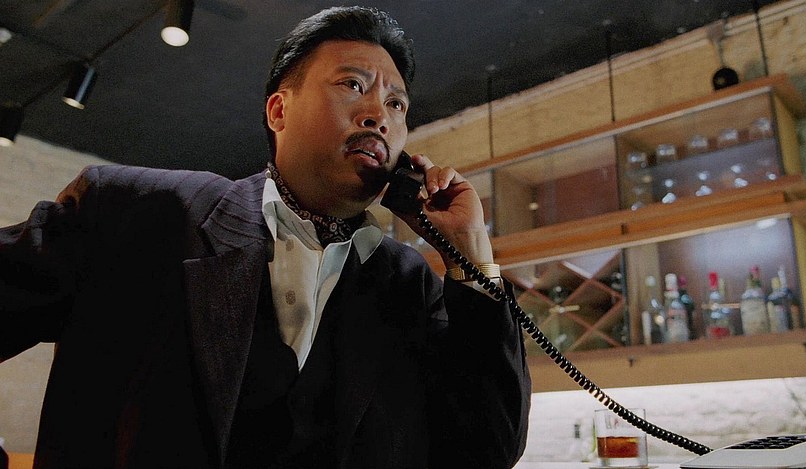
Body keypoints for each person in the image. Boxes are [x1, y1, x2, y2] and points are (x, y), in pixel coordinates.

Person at [0, 6, 531, 468]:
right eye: (353, 85)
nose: (379, 115)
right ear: (279, 110)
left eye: (397, 105)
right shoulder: (131, 210)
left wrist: (472, 256)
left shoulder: (409, 284)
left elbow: (487, 449)